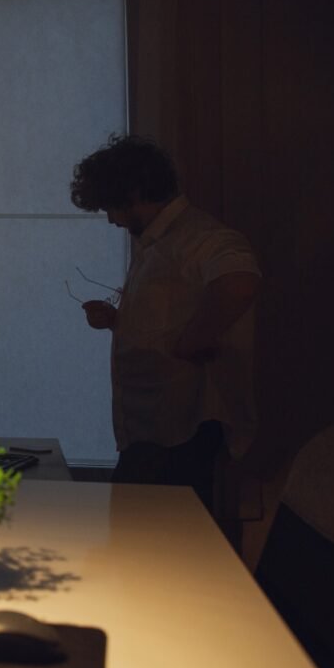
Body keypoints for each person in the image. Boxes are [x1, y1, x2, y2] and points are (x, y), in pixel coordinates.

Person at [69, 134, 260, 512]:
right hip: (149, 431)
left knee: (155, 553)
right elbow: (167, 318)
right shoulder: (157, 244)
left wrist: (191, 343)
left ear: (135, 192)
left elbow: (240, 280)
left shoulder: (200, 238)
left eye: (111, 206)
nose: (110, 219)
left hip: (179, 435)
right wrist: (118, 321)